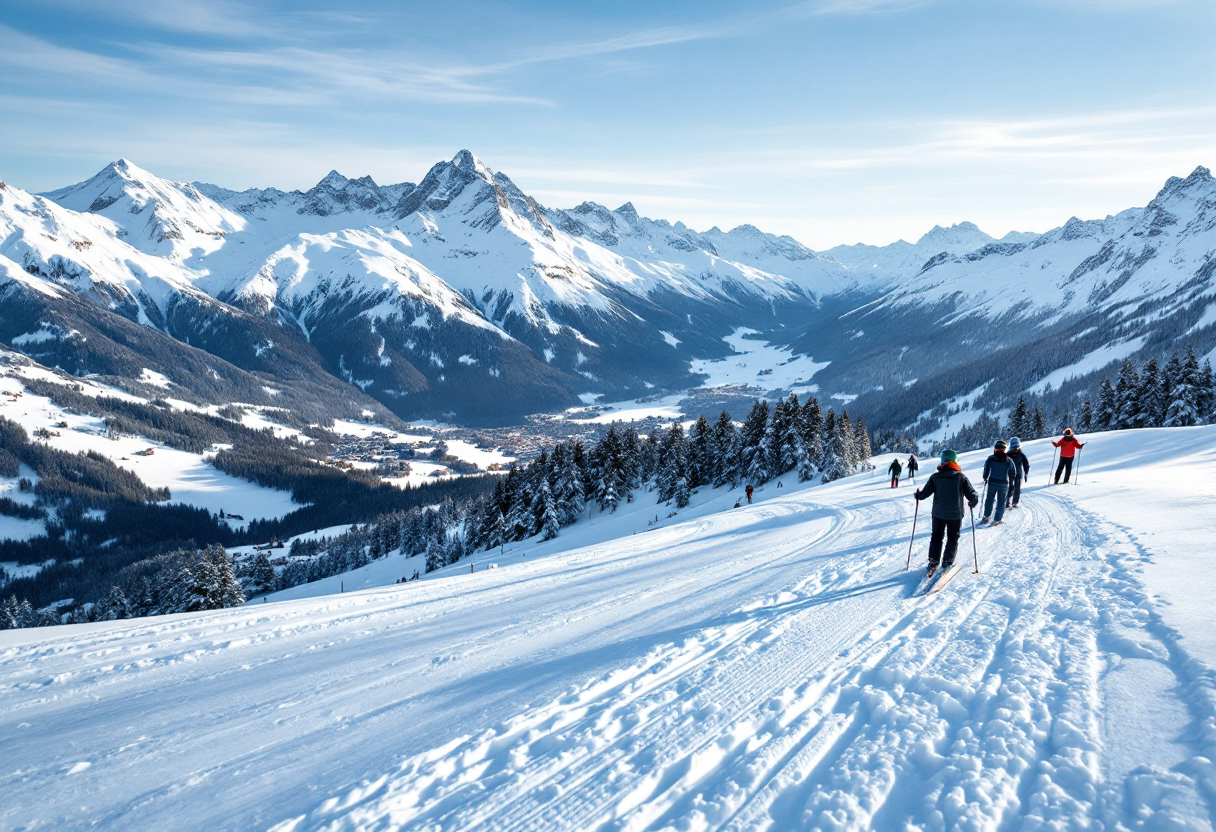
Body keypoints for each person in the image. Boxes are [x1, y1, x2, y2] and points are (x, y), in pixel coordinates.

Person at [914, 449, 980, 574]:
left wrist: (918, 495)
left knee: (937, 535)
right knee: (953, 537)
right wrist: (973, 501)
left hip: (938, 514)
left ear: (942, 461)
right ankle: (947, 561)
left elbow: (924, 495)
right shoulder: (961, 477)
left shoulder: (935, 477)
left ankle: (933, 561)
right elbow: (972, 495)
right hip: (955, 514)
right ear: (955, 461)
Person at [981, 440, 1017, 525]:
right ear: (1004, 449)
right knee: (1001, 501)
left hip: (992, 482)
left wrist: (985, 478)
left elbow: (986, 469)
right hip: (1004, 483)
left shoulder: (991, 458)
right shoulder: (1008, 460)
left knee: (989, 499)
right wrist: (1012, 485)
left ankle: (986, 517)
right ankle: (998, 519)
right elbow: (1013, 473)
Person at [1005, 437, 1030, 509]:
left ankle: (1007, 502)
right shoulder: (1021, 454)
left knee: (1010, 488)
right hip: (1019, 474)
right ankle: (1015, 502)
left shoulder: (1007, 454)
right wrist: (1026, 473)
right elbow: (1026, 464)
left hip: (1009, 474)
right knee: (1017, 488)